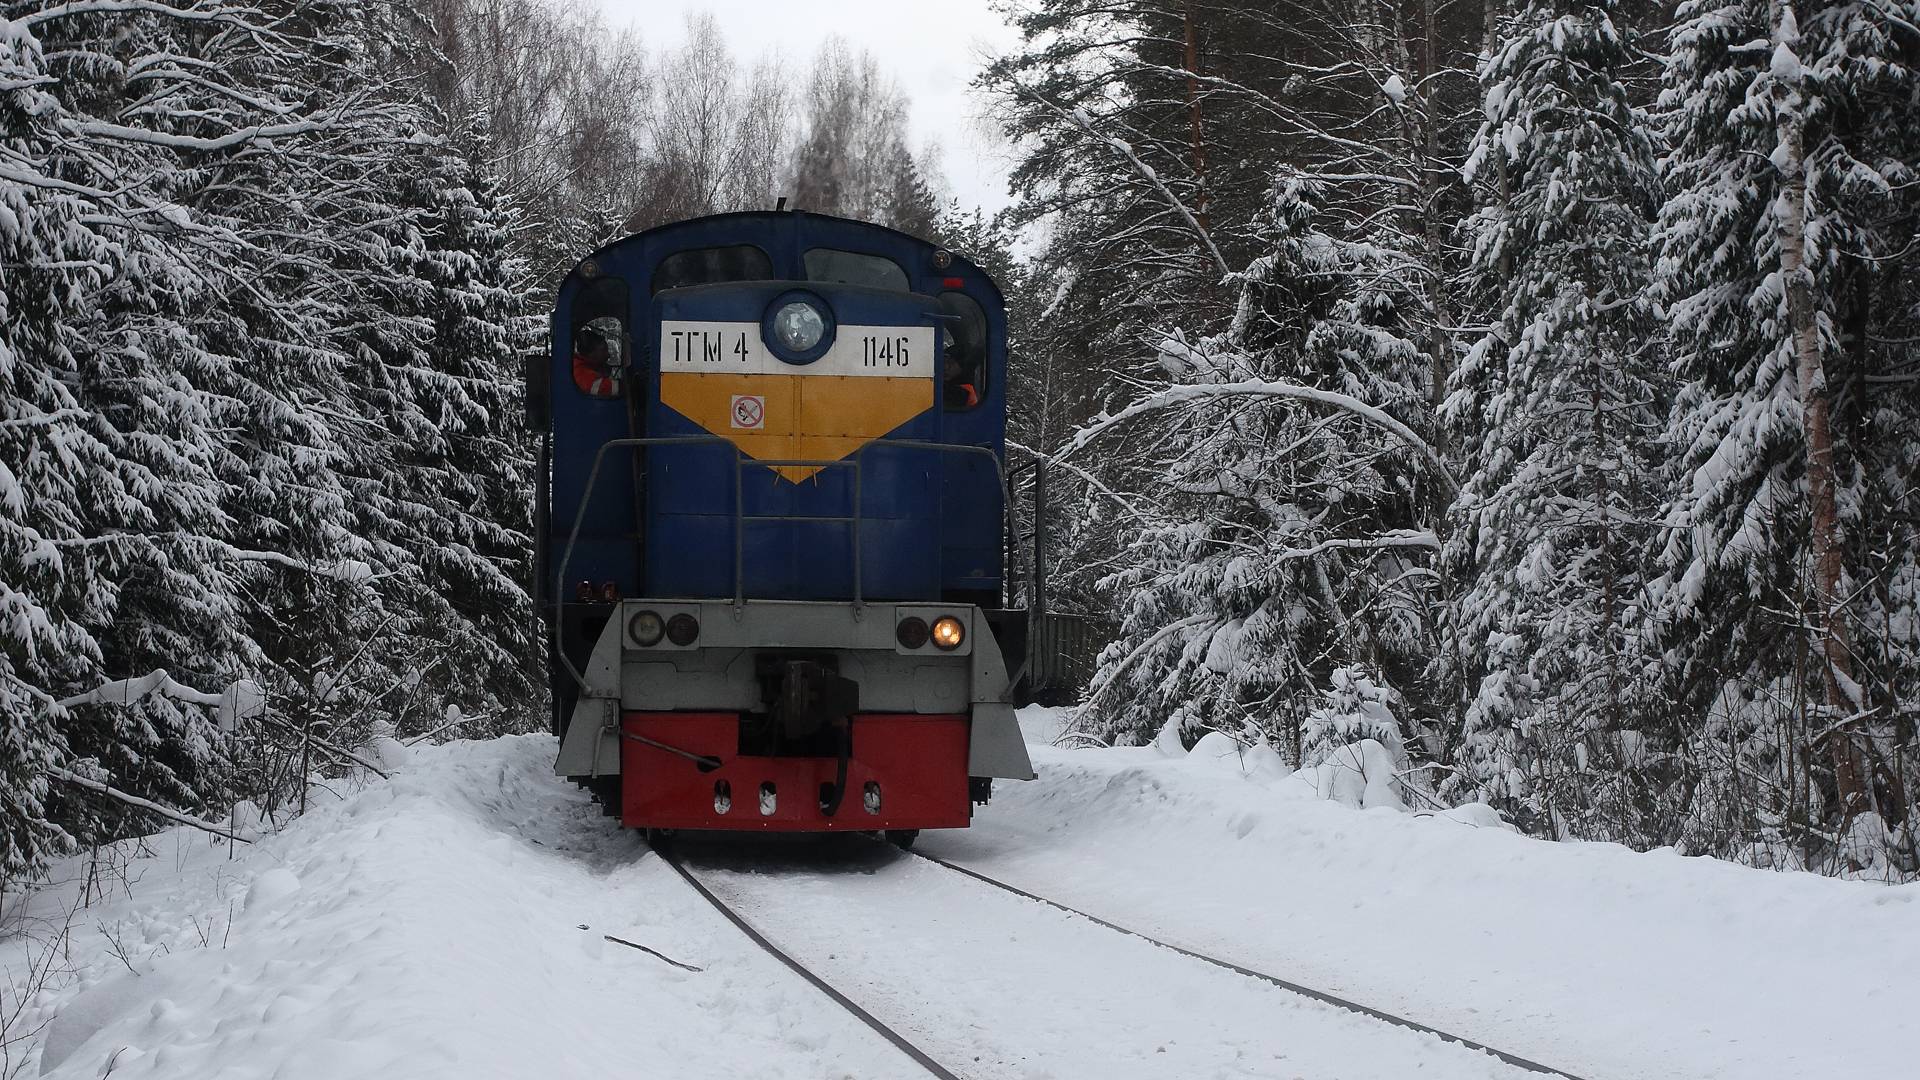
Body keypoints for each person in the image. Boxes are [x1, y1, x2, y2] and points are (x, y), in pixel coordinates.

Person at [572, 324, 621, 397]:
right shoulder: (579, 371)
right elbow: (603, 388)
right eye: (603, 350)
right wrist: (624, 385)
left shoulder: (589, 366)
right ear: (591, 353)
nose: (608, 355)